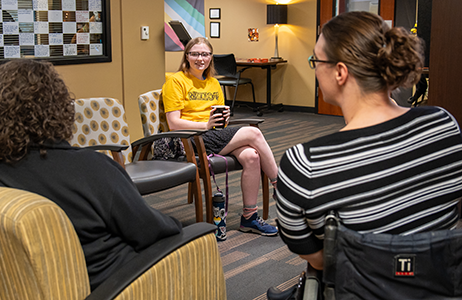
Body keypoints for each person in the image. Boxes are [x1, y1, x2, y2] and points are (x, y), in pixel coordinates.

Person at [0, 59, 182, 290]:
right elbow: (153, 231)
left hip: (12, 287)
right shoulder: (92, 170)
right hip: (114, 287)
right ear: (59, 109)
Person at [276, 11, 462, 271]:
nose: (314, 67)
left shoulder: (305, 163)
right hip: (440, 282)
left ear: (340, 72)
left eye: (315, 60)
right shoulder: (443, 124)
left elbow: (318, 260)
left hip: (362, 288)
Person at [162, 37, 278, 236]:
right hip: (188, 139)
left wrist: (222, 119)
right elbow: (173, 123)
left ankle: (249, 218)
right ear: (187, 56)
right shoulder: (176, 81)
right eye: (195, 54)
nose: (200, 58)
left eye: (205, 54)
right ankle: (280, 185)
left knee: (251, 156)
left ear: (211, 57)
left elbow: (219, 121)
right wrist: (204, 124)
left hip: (212, 135)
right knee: (254, 132)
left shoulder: (214, 83)